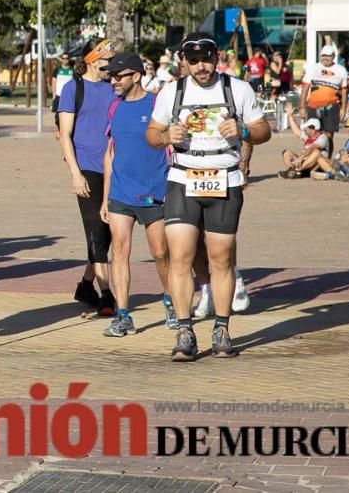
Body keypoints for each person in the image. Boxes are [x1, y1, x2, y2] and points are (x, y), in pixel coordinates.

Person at [146, 32, 271, 361]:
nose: (201, 66)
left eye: (207, 59)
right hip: (183, 177)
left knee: (220, 258)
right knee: (180, 257)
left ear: (217, 58)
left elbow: (264, 131)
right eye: (193, 60)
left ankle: (221, 328)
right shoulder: (171, 92)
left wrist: (243, 131)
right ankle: (184, 331)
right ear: (183, 61)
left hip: (224, 179)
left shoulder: (238, 89)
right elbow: (151, 134)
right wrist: (164, 136)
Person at [98, 52, 174, 336]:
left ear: (136, 76)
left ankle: (171, 301)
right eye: (111, 76)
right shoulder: (114, 108)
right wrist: (105, 197)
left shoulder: (156, 104)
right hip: (120, 192)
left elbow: (171, 143)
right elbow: (110, 153)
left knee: (160, 253)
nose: (113, 81)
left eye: (119, 76)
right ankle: (123, 314)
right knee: (119, 251)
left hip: (154, 191)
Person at [57, 39, 117, 315]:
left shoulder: (113, 89)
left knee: (108, 233)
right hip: (88, 169)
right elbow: (64, 135)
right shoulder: (74, 88)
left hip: (113, 170)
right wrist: (75, 174)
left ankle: (85, 285)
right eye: (108, 58)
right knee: (96, 232)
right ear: (94, 59)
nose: (112, 64)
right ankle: (107, 295)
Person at [300, 45, 348, 156]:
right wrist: (302, 107)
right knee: (312, 134)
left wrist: (343, 108)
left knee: (328, 135)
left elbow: (344, 91)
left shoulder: (341, 70)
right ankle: (309, 158)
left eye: (328, 56)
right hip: (313, 106)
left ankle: (327, 158)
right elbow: (305, 88)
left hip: (331, 107)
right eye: (323, 55)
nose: (325, 58)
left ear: (333, 56)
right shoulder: (313, 68)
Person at [278, 105, 328, 178]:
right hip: (303, 161)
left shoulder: (323, 138)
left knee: (316, 152)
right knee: (287, 152)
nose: (305, 130)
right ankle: (291, 170)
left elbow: (313, 147)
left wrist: (301, 157)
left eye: (306, 129)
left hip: (314, 165)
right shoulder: (308, 136)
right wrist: (290, 116)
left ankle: (297, 170)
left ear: (313, 129)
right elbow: (296, 131)